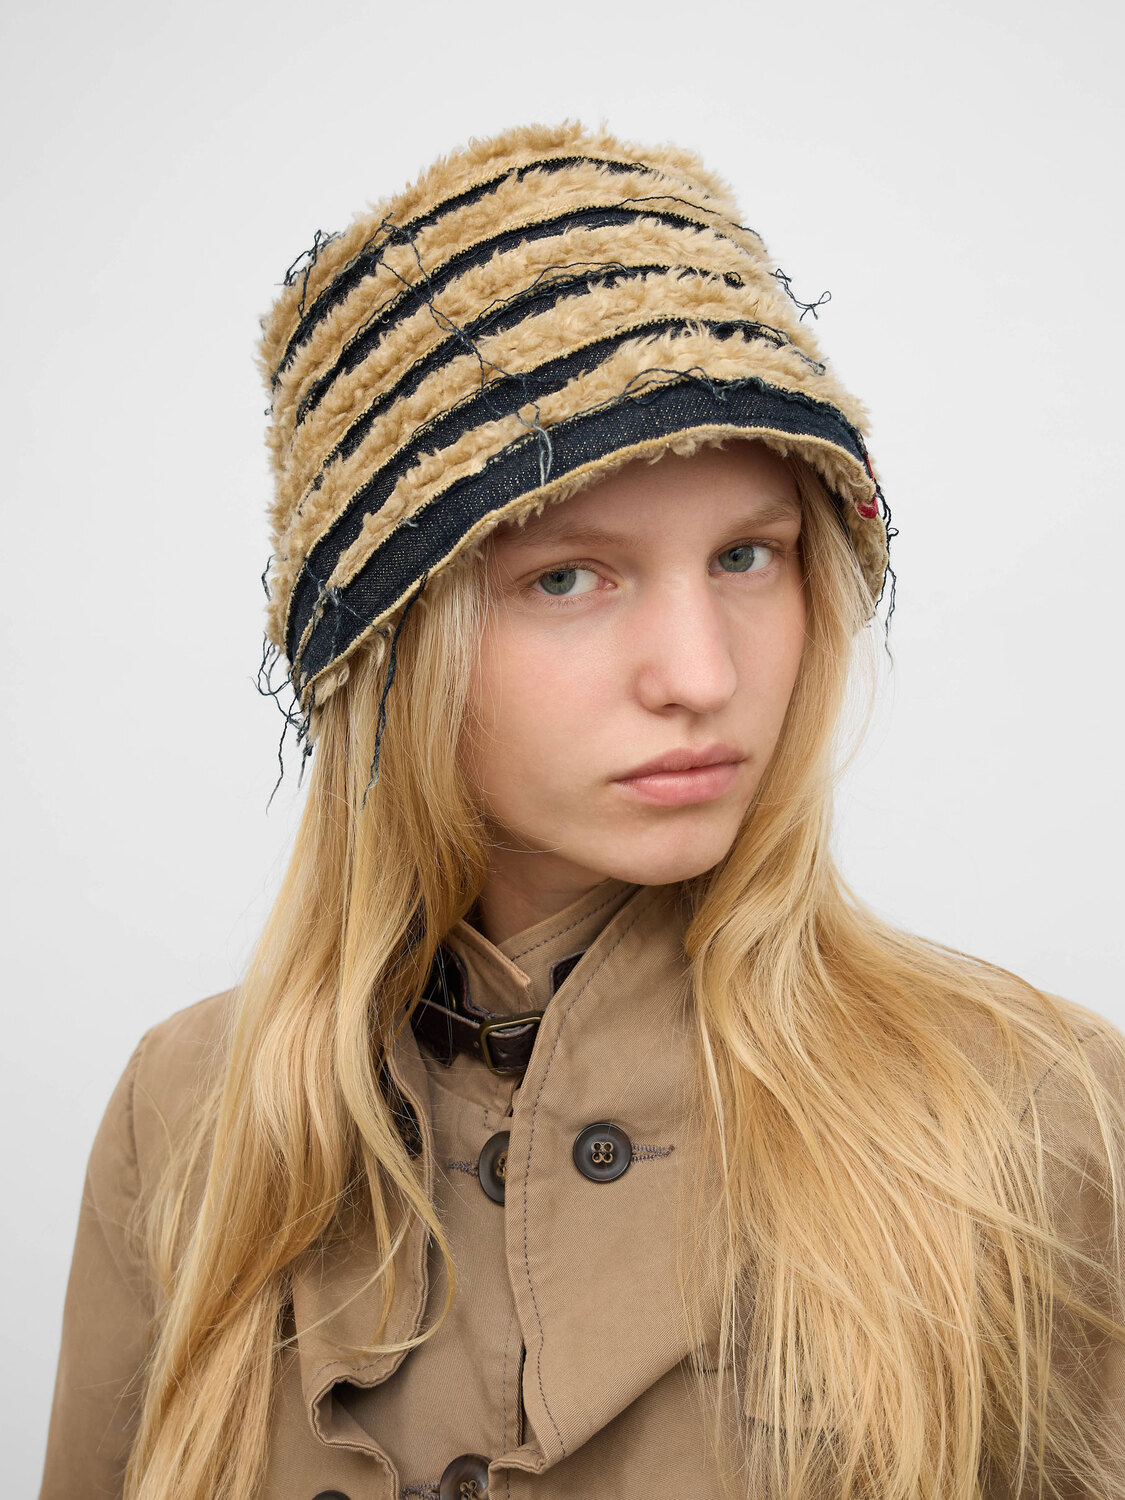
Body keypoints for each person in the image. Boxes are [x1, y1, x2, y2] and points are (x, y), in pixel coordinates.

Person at [40, 120, 1125, 1500]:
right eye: (569, 578)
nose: (702, 676)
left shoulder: (1027, 1115)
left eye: (749, 556)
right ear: (387, 644)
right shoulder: (191, 1114)